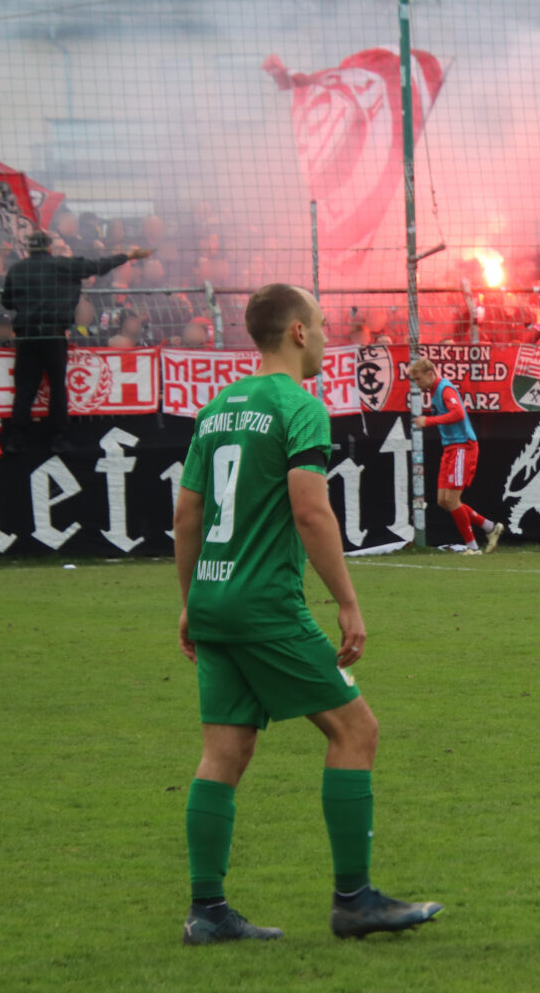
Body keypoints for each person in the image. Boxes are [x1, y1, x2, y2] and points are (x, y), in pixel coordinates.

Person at [173, 282, 443, 945]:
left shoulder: (216, 409)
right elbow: (309, 507)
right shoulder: (300, 406)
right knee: (357, 730)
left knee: (224, 748)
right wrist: (348, 602)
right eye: (320, 325)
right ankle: (354, 900)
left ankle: (207, 910)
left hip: (212, 598)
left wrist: (189, 602)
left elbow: (187, 513)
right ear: (297, 332)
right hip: (266, 603)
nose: (325, 336)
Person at [0, 230, 151, 452]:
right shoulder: (63, 265)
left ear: (29, 247)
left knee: (25, 389)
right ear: (49, 247)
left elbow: (7, 301)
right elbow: (98, 266)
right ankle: (58, 438)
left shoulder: (17, 269)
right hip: (53, 334)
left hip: (27, 336)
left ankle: (15, 439)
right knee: (58, 388)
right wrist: (127, 256)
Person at [410, 357, 504, 553]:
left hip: (463, 446)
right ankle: (490, 527)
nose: (417, 384)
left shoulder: (445, 389)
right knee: (443, 501)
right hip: (451, 447)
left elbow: (459, 414)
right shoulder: (436, 391)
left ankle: (473, 547)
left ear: (430, 374)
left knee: (452, 500)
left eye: (418, 379)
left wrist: (429, 421)